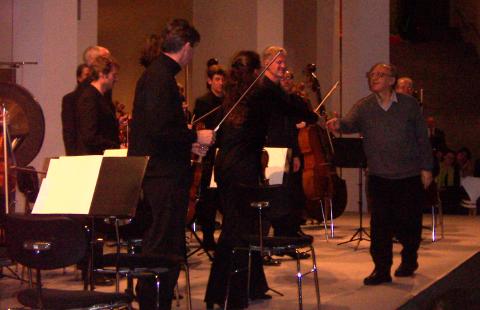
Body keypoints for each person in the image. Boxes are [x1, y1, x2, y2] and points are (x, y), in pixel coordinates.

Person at [128, 19, 214, 310]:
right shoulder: (160, 78)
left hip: (161, 173)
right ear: (187, 47)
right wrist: (194, 135)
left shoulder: (157, 75)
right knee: (162, 245)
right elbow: (158, 129)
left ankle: (158, 300)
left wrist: (186, 142)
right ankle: (155, 302)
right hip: (162, 178)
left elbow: (159, 131)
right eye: (194, 50)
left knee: (165, 243)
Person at [327, 63, 433, 285]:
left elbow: (422, 138)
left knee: (409, 223)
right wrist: (337, 124)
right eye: (372, 74)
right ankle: (382, 269)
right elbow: (348, 125)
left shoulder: (409, 105)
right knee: (380, 225)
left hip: (408, 175)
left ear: (392, 80)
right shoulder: (364, 106)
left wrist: (426, 168)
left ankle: (409, 258)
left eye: (379, 75)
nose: (373, 78)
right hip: (379, 176)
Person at [260, 47, 317, 264]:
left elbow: (293, 123)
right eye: (278, 63)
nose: (282, 67)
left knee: (282, 200)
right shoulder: (264, 89)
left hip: (282, 151)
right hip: (270, 153)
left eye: (284, 63)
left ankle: (283, 244)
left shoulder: (280, 92)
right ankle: (263, 249)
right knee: (269, 200)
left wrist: (293, 152)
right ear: (267, 62)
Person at [192, 63, 226, 249]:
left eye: (222, 79)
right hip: (209, 154)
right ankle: (207, 237)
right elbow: (200, 126)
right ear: (209, 81)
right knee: (209, 198)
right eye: (217, 80)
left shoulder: (228, 101)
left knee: (224, 196)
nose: (221, 83)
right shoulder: (204, 102)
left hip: (224, 151)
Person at [61, 46, 111, 155]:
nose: (109, 63)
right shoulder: (86, 94)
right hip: (90, 157)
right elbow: (76, 135)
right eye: (106, 59)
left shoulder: (103, 92)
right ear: (95, 62)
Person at [75, 56, 120, 155]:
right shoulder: (90, 98)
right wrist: (115, 146)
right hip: (95, 158)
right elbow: (89, 136)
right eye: (114, 75)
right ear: (103, 75)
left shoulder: (99, 97)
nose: (116, 79)